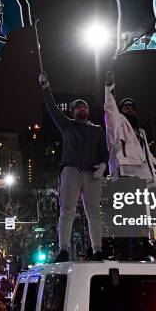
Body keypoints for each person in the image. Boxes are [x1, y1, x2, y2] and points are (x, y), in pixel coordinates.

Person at [39, 70, 108, 262]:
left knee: (94, 212)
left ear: (88, 111)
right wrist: (46, 88)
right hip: (71, 171)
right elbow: (52, 107)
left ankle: (97, 250)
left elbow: (105, 151)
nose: (81, 109)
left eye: (84, 107)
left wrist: (103, 165)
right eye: (77, 108)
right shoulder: (67, 125)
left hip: (93, 173)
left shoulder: (97, 130)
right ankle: (64, 249)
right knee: (66, 210)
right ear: (72, 112)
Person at [103, 70, 156, 261]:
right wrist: (109, 89)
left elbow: (146, 155)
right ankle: (128, 248)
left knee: (140, 211)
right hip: (124, 171)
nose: (128, 109)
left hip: (140, 174)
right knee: (127, 211)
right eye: (124, 107)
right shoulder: (118, 123)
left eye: (131, 107)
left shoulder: (140, 131)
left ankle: (140, 244)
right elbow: (109, 110)